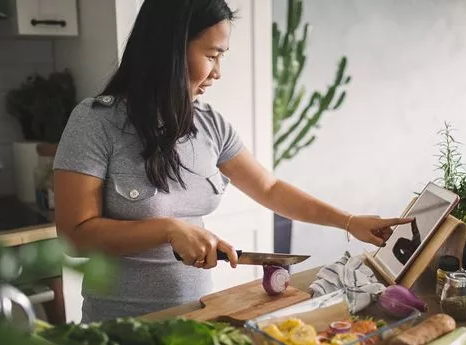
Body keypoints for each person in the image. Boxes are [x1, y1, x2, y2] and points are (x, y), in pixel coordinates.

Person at [53, 0, 413, 322]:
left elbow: (270, 189)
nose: (218, 72)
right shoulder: (95, 121)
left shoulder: (210, 124)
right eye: (212, 55)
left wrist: (349, 222)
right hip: (122, 327)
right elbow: (75, 236)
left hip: (198, 317)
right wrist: (168, 229)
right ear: (169, 50)